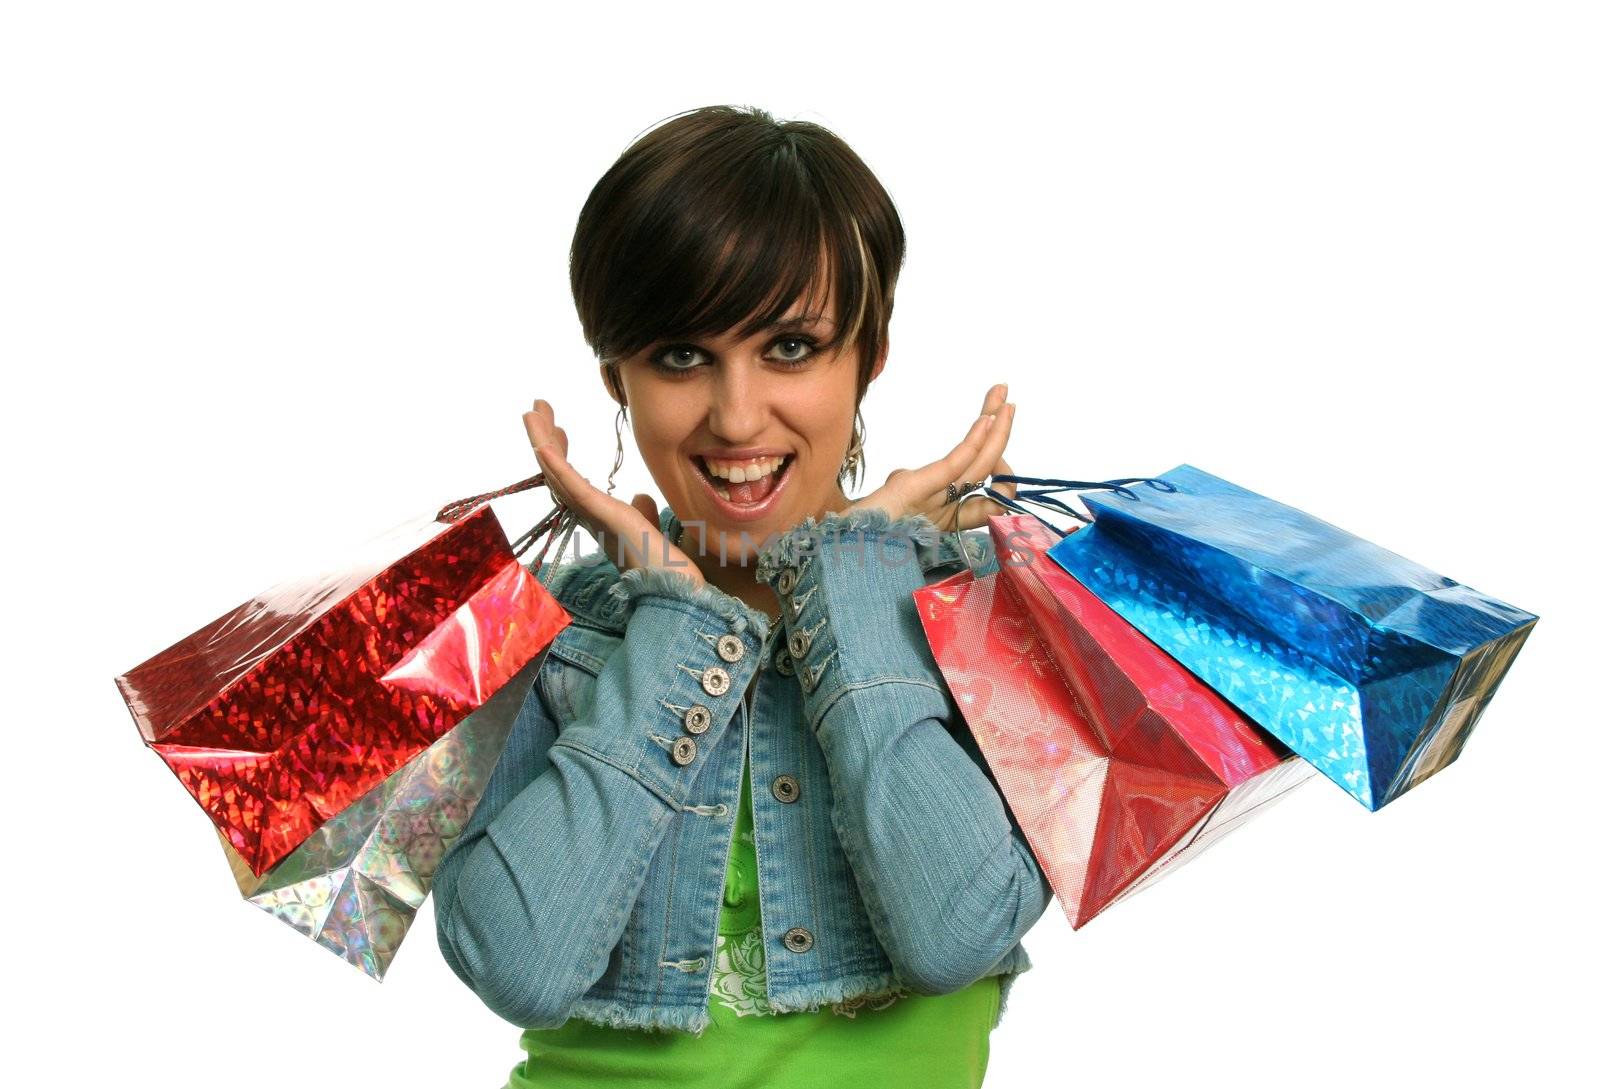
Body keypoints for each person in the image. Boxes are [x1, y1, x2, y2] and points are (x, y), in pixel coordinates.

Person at [432, 104, 1053, 1089]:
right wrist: (671, 621)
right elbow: (517, 969)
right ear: (615, 376)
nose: (734, 414)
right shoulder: (527, 628)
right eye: (680, 356)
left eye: (791, 348)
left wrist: (856, 572)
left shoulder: (994, 616)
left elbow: (954, 937)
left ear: (868, 354)